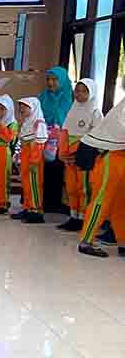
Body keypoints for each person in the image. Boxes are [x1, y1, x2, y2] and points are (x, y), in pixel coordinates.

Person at [76, 95, 125, 258]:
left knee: (120, 203)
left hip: (120, 157)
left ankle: (123, 243)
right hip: (111, 157)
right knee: (101, 200)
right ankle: (86, 241)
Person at [58, 79, 103, 232]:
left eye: (84, 91)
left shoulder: (95, 112)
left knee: (84, 188)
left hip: (84, 156)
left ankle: (84, 218)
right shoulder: (73, 109)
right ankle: (73, 216)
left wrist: (78, 152)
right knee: (71, 187)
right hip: (69, 156)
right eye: (77, 91)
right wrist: (63, 152)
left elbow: (96, 136)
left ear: (91, 93)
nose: (79, 94)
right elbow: (65, 132)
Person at [39, 66, 74, 213]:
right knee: (44, 169)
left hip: (64, 141)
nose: (51, 83)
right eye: (48, 79)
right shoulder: (42, 97)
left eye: (54, 79)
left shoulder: (71, 98)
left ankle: (56, 203)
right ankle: (42, 201)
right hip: (44, 139)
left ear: (63, 81)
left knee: (58, 170)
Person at [14, 97, 49, 225]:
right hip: (25, 159)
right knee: (26, 184)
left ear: (33, 107)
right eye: (21, 106)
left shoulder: (38, 123)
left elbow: (39, 143)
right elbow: (22, 141)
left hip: (34, 161)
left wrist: (34, 161)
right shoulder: (26, 122)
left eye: (25, 106)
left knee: (35, 185)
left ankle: (36, 212)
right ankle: (27, 208)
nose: (21, 109)